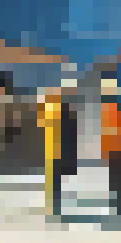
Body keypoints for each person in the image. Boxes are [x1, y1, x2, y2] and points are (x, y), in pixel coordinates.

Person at [99, 80, 121, 222]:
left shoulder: (114, 108)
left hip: (117, 147)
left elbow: (118, 129)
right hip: (115, 147)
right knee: (116, 178)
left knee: (117, 177)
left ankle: (118, 206)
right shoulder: (109, 108)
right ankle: (118, 206)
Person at [40, 87, 68, 220]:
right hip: (51, 150)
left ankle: (54, 207)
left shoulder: (58, 110)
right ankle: (53, 207)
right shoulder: (50, 109)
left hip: (55, 150)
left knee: (54, 179)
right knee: (52, 179)